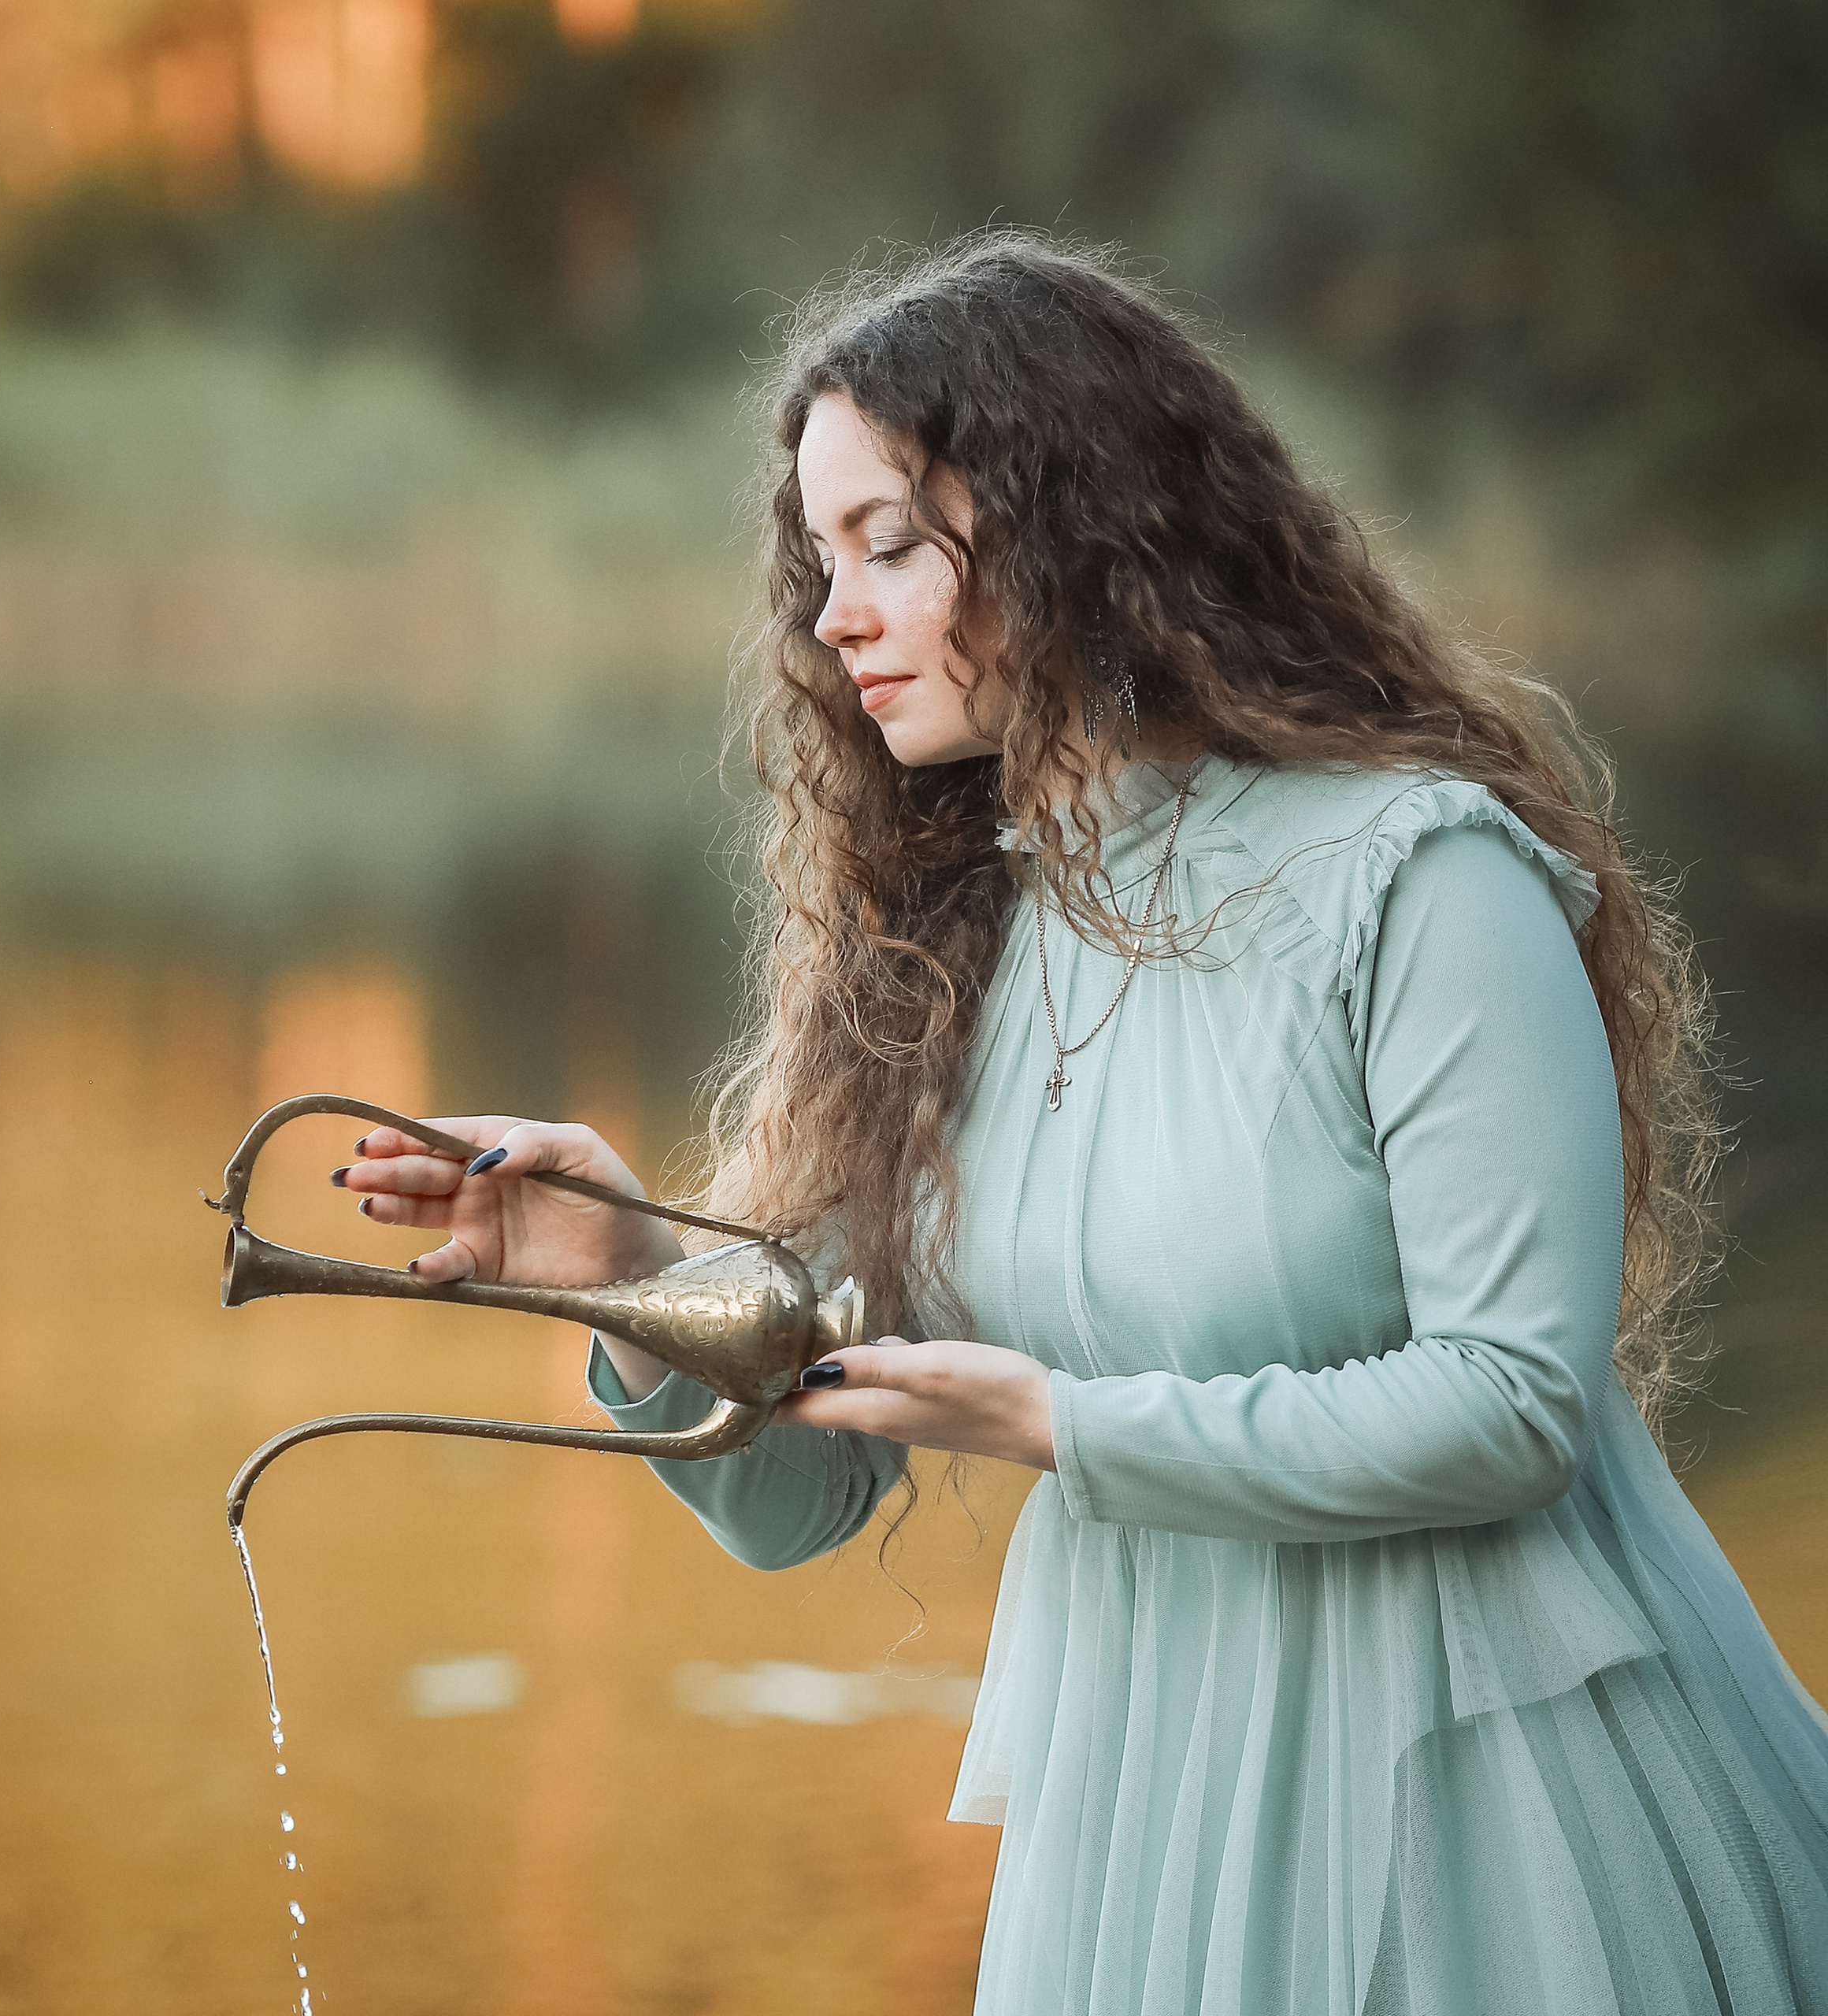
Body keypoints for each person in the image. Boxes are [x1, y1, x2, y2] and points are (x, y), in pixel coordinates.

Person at [337, 236, 1828, 2015]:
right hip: (1140, 1802)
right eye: (822, 561)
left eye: (890, 541)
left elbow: (1515, 1402)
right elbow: (800, 1494)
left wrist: (1063, 1419)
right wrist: (633, 1276)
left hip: (1479, 1775)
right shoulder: (955, 942)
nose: (835, 614)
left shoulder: (1416, 875)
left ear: (1076, 522)